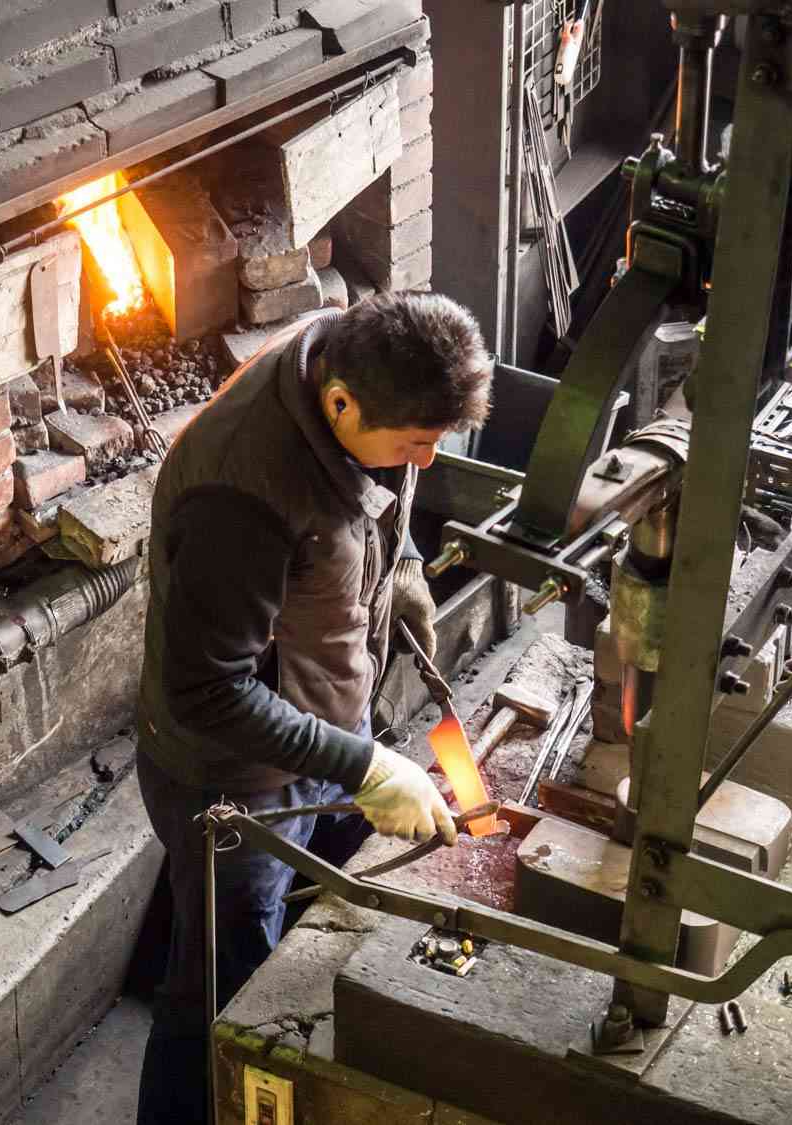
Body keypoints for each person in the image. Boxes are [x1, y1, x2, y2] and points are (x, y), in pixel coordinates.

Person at [134, 291, 494, 1124]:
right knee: (222, 993)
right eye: (416, 443)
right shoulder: (244, 495)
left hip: (319, 719)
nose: (426, 461)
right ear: (341, 405)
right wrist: (365, 765)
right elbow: (207, 689)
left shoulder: (355, 361)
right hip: (234, 779)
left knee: (311, 917)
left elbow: (371, 499)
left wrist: (397, 573)